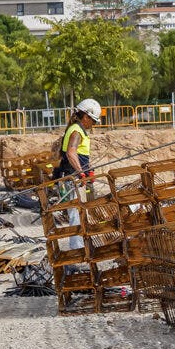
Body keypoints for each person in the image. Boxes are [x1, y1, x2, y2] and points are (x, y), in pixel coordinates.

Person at [52, 98, 101, 252]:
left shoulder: (77, 129)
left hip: (75, 178)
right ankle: (77, 248)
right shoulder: (76, 130)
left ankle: (81, 243)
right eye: (92, 121)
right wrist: (81, 173)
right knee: (76, 213)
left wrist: (88, 171)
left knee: (80, 211)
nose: (92, 124)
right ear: (85, 116)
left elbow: (79, 155)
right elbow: (71, 152)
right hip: (72, 179)